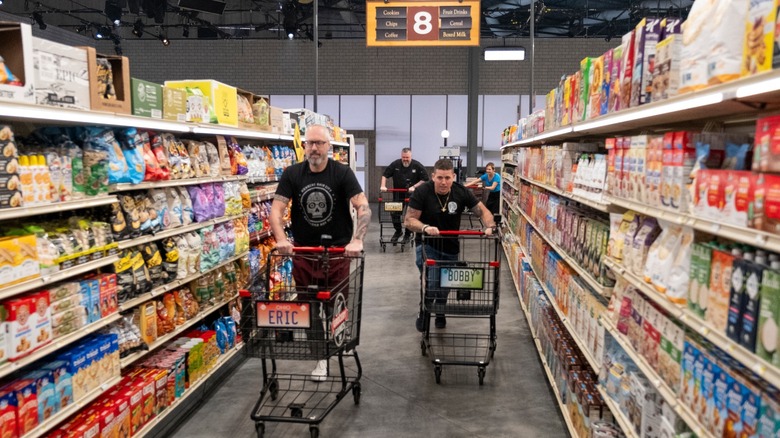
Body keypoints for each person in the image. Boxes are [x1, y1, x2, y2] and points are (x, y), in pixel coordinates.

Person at [270, 124, 371, 381]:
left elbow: (363, 206)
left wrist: (357, 239)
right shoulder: (293, 174)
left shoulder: (342, 173)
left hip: (337, 253)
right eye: (310, 143)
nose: (314, 148)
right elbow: (276, 211)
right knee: (309, 308)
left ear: (329, 147)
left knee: (336, 305)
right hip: (304, 253)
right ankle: (320, 358)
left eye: (319, 143)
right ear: (304, 146)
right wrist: (282, 239)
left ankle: (336, 343)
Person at [404, 158, 495, 332]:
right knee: (431, 281)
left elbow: (482, 211)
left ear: (453, 177)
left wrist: (490, 226)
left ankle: (440, 311)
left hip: (451, 246)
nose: (443, 182)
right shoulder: (422, 192)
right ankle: (425, 310)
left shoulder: (461, 192)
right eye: (439, 178)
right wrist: (425, 227)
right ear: (433, 177)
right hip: (427, 244)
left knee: (444, 285)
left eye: (447, 178)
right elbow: (409, 220)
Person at [380, 148, 429, 244]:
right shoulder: (395, 164)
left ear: (411, 156)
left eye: (407, 157)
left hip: (412, 196)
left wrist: (414, 187)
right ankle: (398, 231)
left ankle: (408, 234)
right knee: (394, 213)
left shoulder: (417, 165)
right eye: (404, 157)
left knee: (410, 216)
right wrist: (383, 185)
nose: (405, 159)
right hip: (398, 195)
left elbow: (425, 179)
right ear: (401, 156)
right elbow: (385, 175)